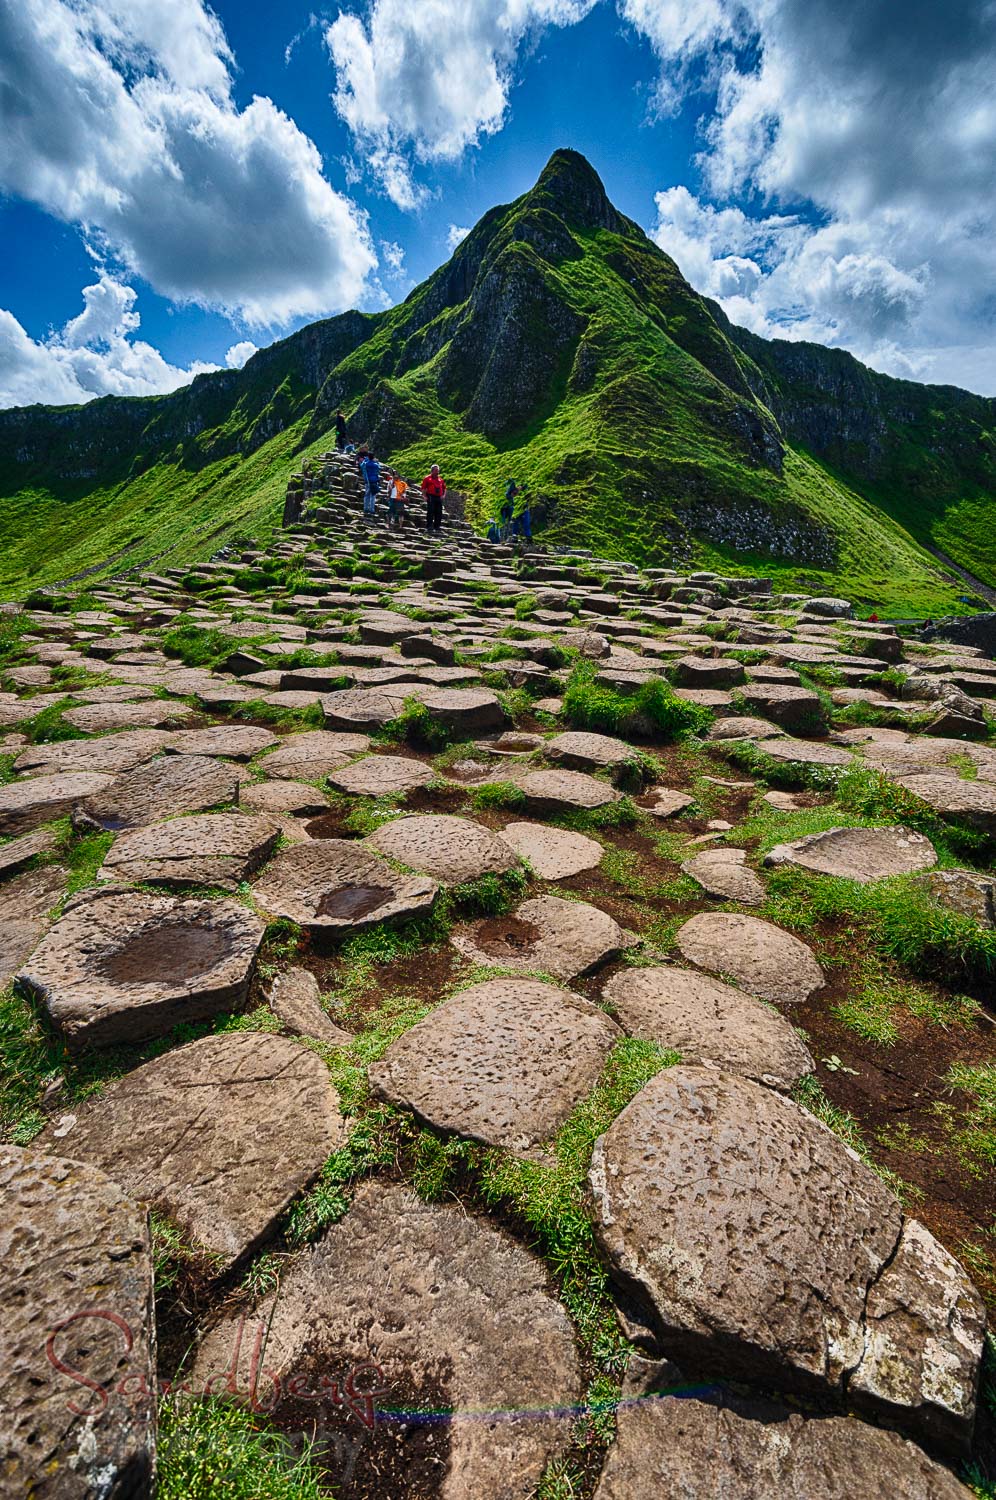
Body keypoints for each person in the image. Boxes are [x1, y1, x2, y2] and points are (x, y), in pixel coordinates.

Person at [421, 464, 446, 533]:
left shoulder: (440, 479)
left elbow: (444, 488)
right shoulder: (427, 478)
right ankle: (429, 526)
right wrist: (424, 496)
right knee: (431, 511)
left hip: (439, 497)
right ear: (432, 471)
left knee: (439, 512)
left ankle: (437, 526)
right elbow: (423, 488)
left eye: (438, 471)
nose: (437, 472)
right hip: (431, 496)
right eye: (436, 470)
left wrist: (443, 495)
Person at [361, 450, 380, 518]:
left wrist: (365, 459)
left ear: (368, 457)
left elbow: (361, 465)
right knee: (373, 496)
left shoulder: (366, 464)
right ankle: (372, 509)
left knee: (367, 495)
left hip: (368, 481)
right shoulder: (375, 465)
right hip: (374, 481)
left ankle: (366, 508)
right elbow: (379, 468)